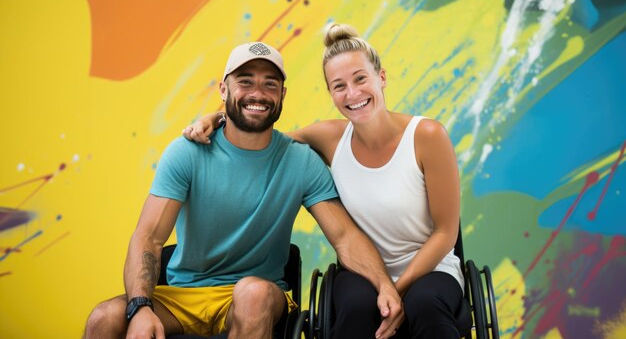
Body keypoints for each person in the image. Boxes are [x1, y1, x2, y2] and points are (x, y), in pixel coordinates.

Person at [83, 41, 403, 339]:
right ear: (224, 89)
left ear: (282, 94)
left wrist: (384, 285)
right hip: (183, 296)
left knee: (252, 293)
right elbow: (149, 237)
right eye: (245, 81)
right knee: (104, 317)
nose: (258, 93)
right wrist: (139, 306)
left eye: (269, 84)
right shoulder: (187, 153)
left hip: (259, 294)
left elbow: (345, 237)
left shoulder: (300, 160)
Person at [184, 23, 464, 338]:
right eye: (339, 85)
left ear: (381, 77)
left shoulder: (427, 135)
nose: (353, 93)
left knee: (425, 305)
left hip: (431, 269)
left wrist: (396, 289)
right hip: (362, 271)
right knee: (356, 310)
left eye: (360, 79)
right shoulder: (330, 138)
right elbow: (256, 136)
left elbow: (445, 233)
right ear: (331, 93)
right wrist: (217, 117)